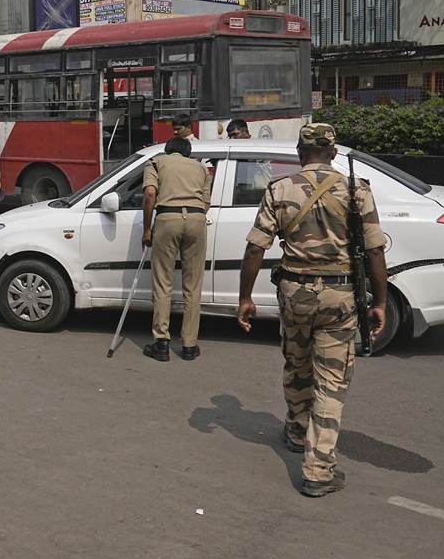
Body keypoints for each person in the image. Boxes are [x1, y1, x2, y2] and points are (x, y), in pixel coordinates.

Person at [237, 123, 387, 498]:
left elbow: (256, 249)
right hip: (339, 298)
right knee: (330, 381)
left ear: (300, 152)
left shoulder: (279, 189)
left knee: (297, 362)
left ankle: (296, 430)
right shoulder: (358, 190)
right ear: (333, 153)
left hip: (294, 295)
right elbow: (374, 251)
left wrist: (245, 298)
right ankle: (318, 470)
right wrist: (381, 303)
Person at [140, 135, 211, 362]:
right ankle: (189, 346)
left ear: (167, 151)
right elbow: (205, 204)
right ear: (188, 153)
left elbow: (150, 193)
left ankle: (161, 343)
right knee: (193, 285)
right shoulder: (201, 168)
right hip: (196, 219)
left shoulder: (156, 163)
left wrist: (147, 229)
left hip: (167, 218)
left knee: (163, 282)